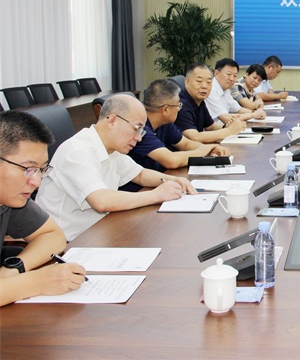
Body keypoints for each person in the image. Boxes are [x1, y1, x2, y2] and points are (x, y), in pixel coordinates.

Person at [37, 94, 196, 241]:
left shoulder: (111, 148)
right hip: (70, 243)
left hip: (100, 230)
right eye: (136, 128)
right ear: (112, 120)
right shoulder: (77, 151)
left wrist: (174, 180)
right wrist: (156, 195)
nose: (139, 138)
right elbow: (101, 201)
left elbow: (140, 175)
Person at [0, 111, 87, 306]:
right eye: (28, 169)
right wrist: (38, 282)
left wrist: (14, 269)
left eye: (41, 170)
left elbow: (53, 235)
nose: (36, 182)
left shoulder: (10, 197)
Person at [129, 79, 230, 172]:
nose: (179, 109)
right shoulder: (140, 129)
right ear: (165, 110)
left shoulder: (164, 123)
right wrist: (203, 150)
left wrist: (210, 149)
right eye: (178, 105)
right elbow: (171, 161)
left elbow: (185, 144)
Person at [175, 63, 247, 144]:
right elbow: (195, 137)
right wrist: (229, 130)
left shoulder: (200, 101)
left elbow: (210, 126)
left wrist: (227, 126)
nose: (204, 86)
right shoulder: (180, 105)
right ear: (187, 81)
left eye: (209, 82)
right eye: (199, 81)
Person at [205, 58, 266, 125]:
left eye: (235, 76)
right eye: (228, 74)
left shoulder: (226, 89)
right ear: (216, 73)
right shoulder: (210, 90)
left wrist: (256, 113)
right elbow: (226, 118)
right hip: (215, 130)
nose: (232, 79)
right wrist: (253, 115)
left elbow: (238, 109)